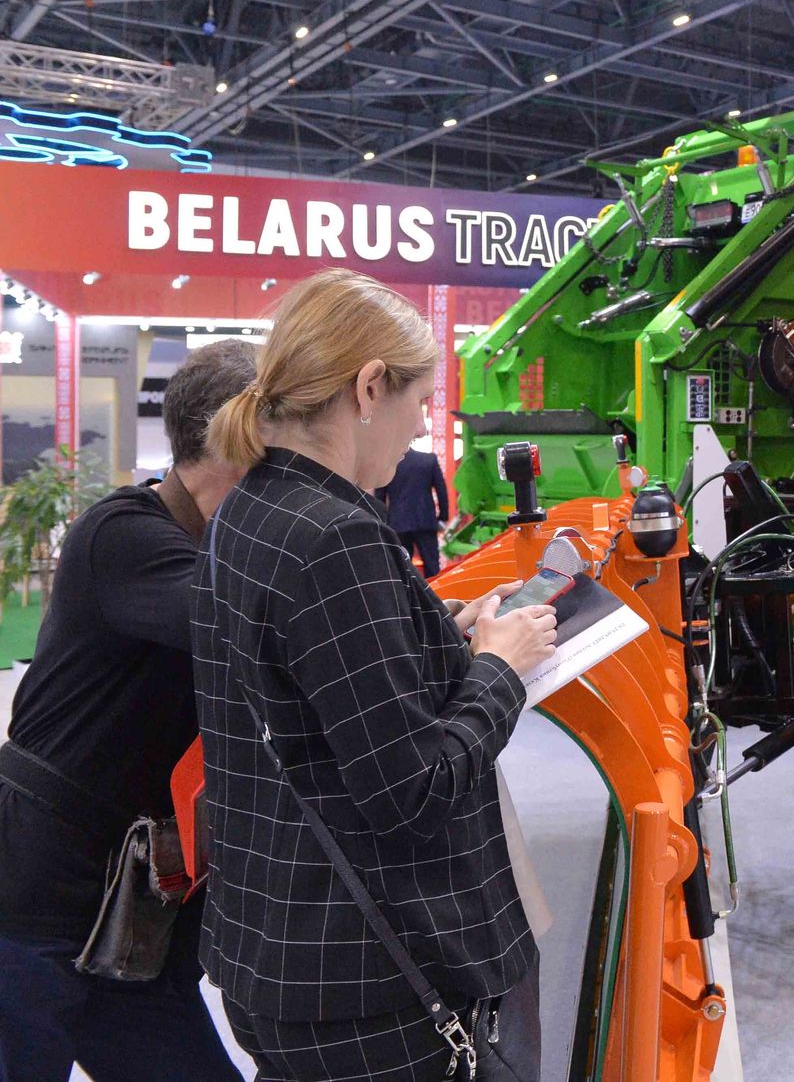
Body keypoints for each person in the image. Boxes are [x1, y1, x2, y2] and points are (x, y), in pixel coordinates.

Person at [193, 270, 557, 1081]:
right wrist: (501, 667)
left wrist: (435, 634)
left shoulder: (252, 506)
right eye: (420, 399)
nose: (423, 424)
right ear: (367, 387)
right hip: (368, 985)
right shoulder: (336, 537)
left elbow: (308, 688)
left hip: (275, 951)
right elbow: (413, 791)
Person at [0, 341, 258, 1081]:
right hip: (35, 893)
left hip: (134, 914)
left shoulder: (213, 547)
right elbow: (245, 623)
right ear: (241, 435)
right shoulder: (124, 533)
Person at [378, 444, 450, 577]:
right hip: (425, 520)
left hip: (398, 522)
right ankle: (435, 589)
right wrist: (443, 517)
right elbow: (441, 490)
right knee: (432, 565)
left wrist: (383, 521)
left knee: (402, 566)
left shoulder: (389, 464)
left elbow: (380, 495)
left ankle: (407, 591)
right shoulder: (428, 460)